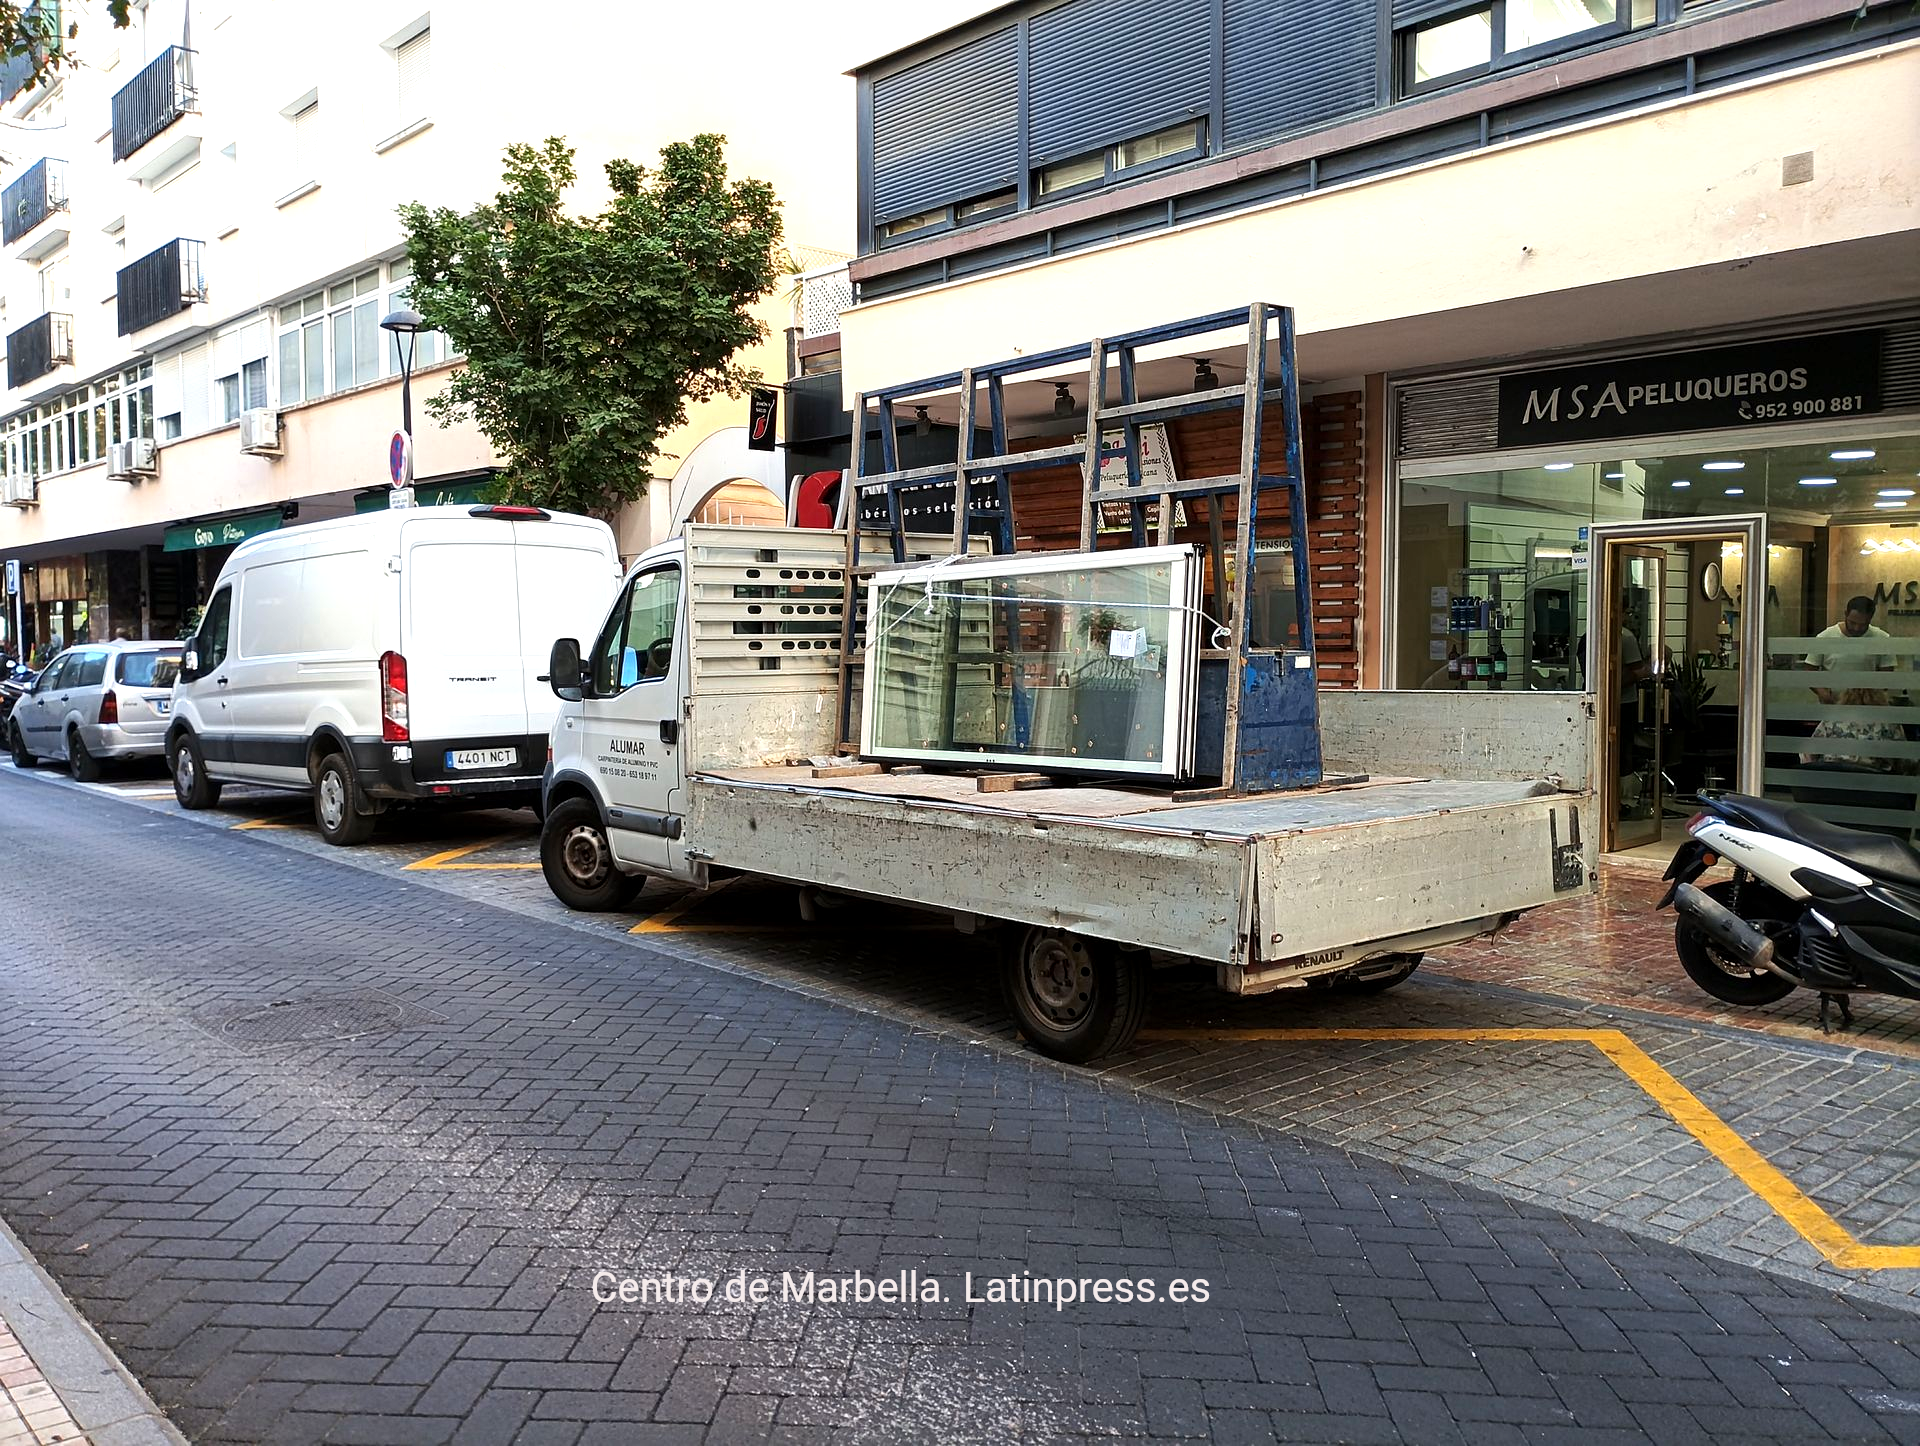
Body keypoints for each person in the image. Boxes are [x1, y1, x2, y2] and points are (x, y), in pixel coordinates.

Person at [1805, 595, 1894, 706]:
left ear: (1870, 618)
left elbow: (1886, 675)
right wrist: (1822, 692)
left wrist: (1872, 696)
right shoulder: (1825, 637)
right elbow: (1809, 671)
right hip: (1833, 704)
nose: (1856, 628)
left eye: (1863, 625)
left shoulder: (1882, 638)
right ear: (1846, 614)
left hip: (1867, 705)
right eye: (1852, 623)